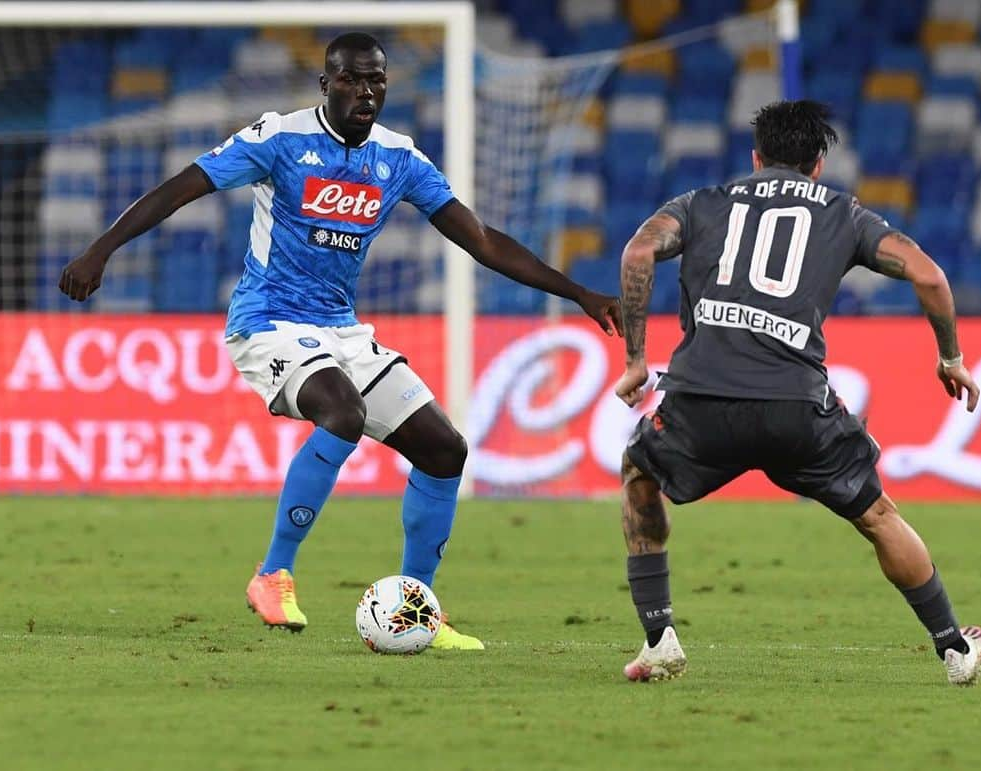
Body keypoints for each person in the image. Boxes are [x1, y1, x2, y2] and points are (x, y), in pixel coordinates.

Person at [59, 32, 621, 650]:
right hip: (268, 321)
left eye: (376, 80)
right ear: (326, 85)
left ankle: (416, 611)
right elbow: (181, 188)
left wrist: (578, 293)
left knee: (444, 449)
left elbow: (482, 240)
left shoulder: (399, 158)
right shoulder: (280, 138)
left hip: (340, 329)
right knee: (343, 413)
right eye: (351, 79)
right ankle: (273, 572)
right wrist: (100, 249)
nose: (366, 91)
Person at [612, 99, 981, 684]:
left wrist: (637, 359)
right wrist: (951, 358)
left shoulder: (700, 204)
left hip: (702, 403)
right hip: (798, 410)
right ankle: (954, 649)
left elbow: (638, 251)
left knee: (639, 473)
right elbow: (929, 275)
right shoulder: (846, 214)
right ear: (818, 166)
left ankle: (660, 639)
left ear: (756, 158)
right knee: (879, 516)